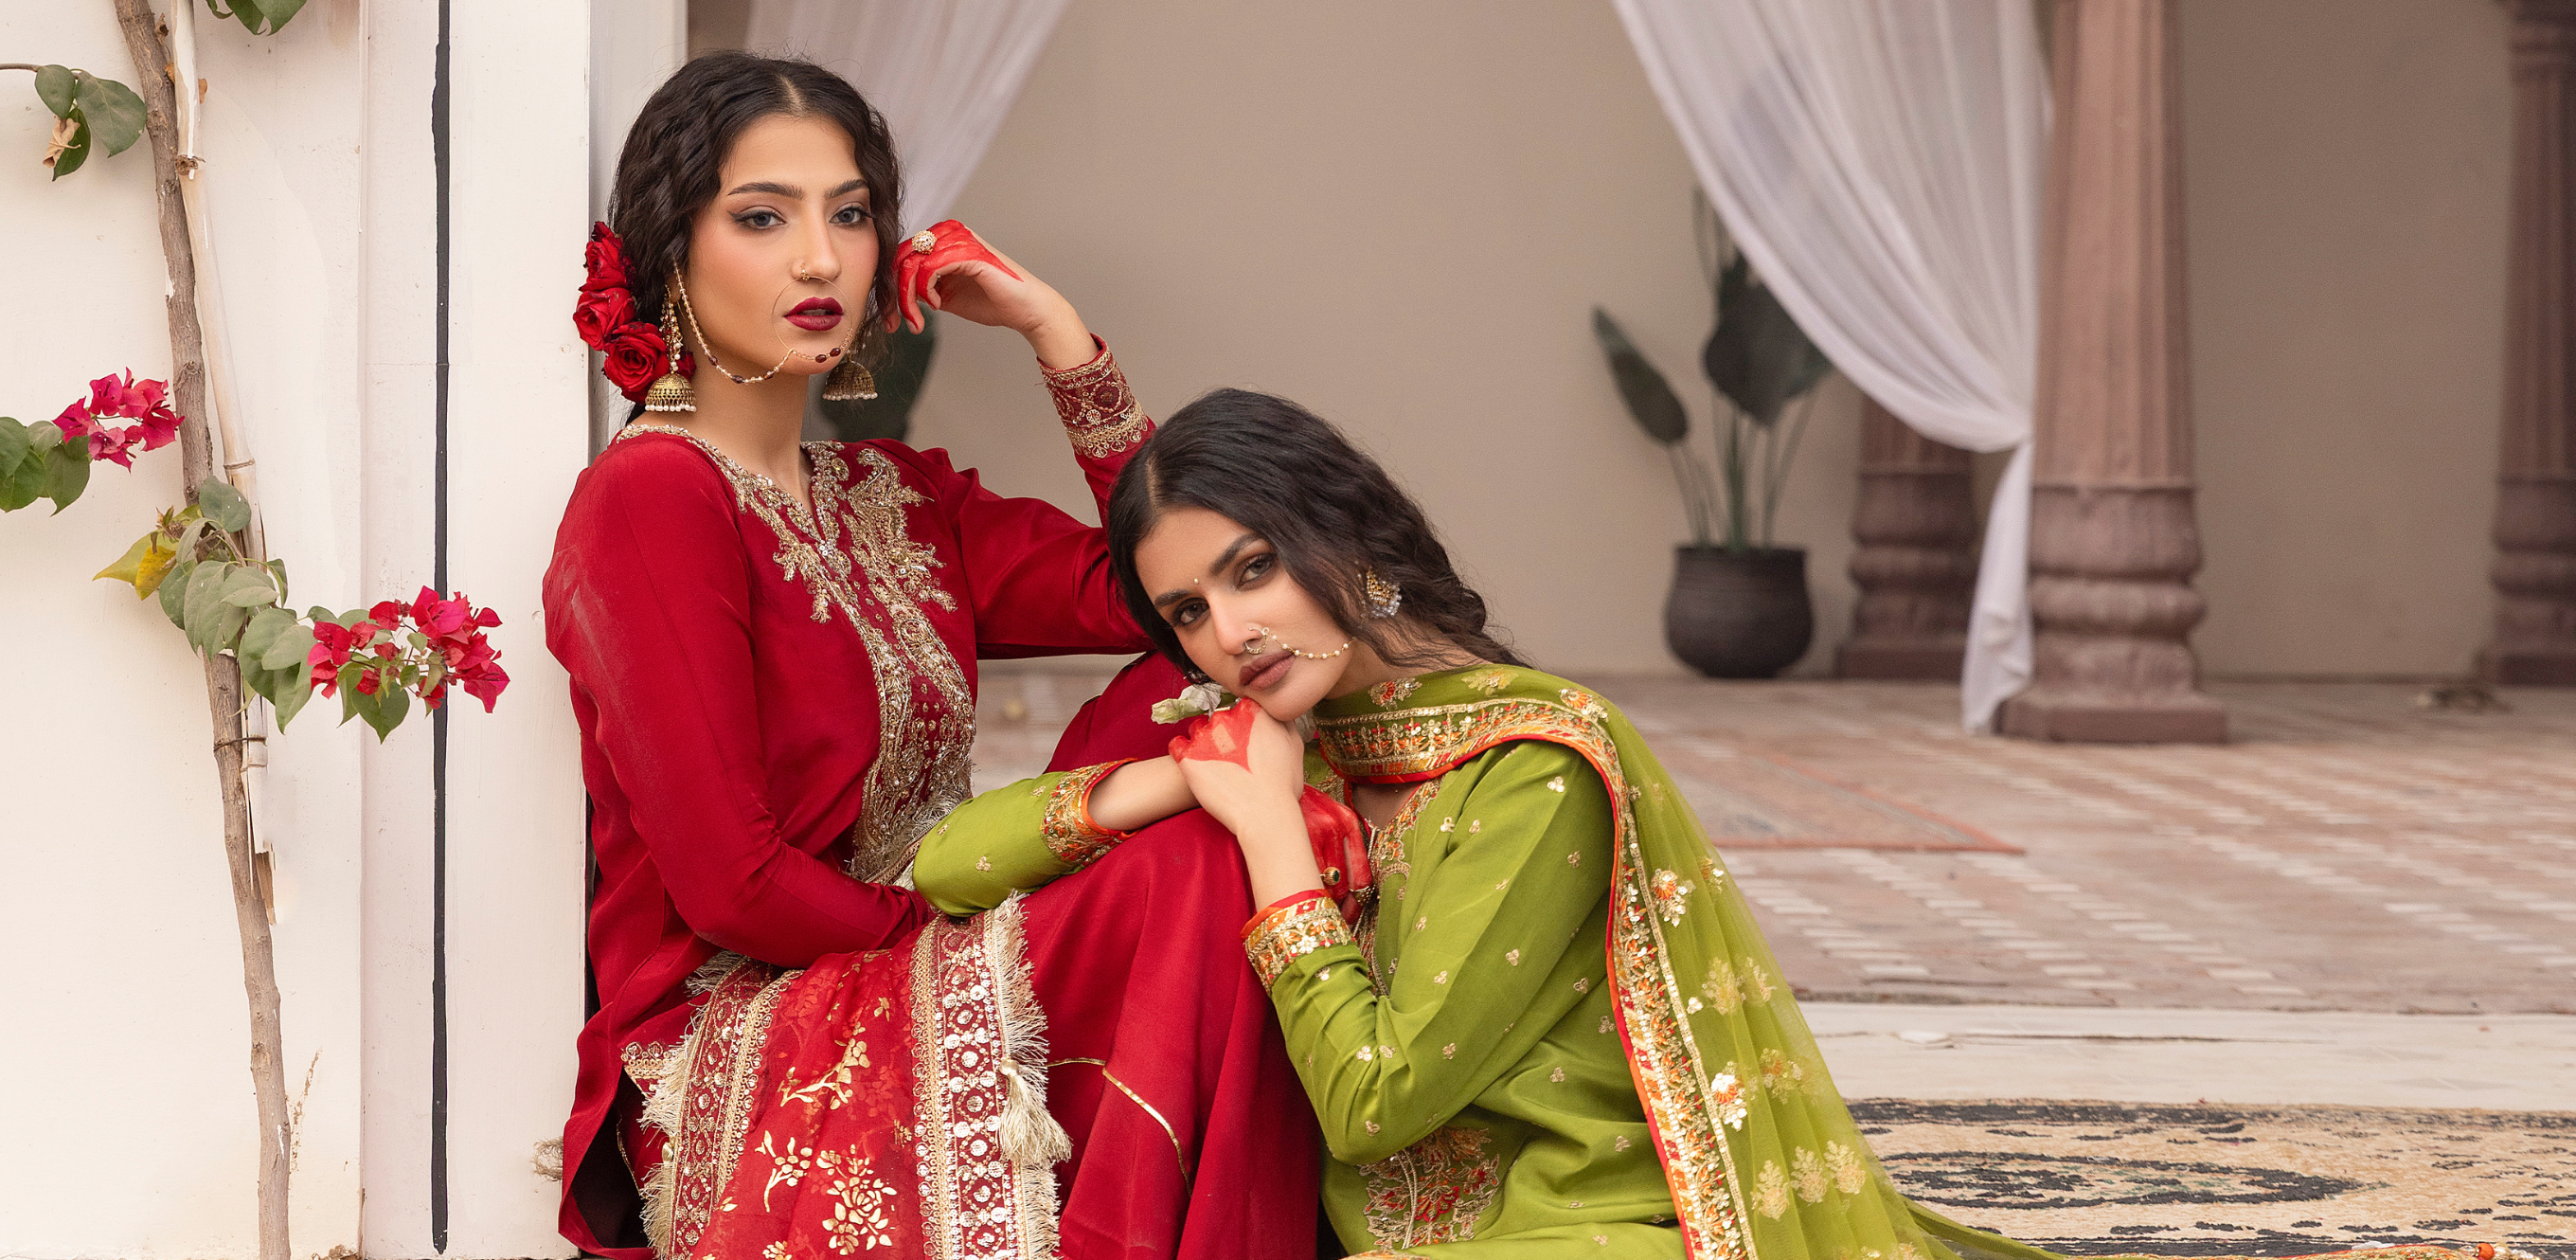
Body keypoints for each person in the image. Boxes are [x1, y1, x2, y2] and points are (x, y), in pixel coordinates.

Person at [927, 387, 2507, 1260]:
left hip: (1582, 1225)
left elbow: (1375, 1106)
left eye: (1254, 570)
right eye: (1188, 612)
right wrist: (1164, 781)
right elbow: (946, 863)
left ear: (1349, 537)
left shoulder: (1530, 762)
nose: (1228, 633)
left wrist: (1270, 852)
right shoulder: (1282, 740)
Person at [546, 53, 1315, 1260]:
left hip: (935, 940)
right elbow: (728, 882)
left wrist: (1057, 338)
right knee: (1184, 874)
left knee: (1208, 682)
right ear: (672, 249)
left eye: (850, 215)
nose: (819, 259)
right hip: (748, 1015)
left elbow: (1171, 605)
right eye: (763, 217)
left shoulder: (894, 491)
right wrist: (969, 925)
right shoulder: (650, 498)